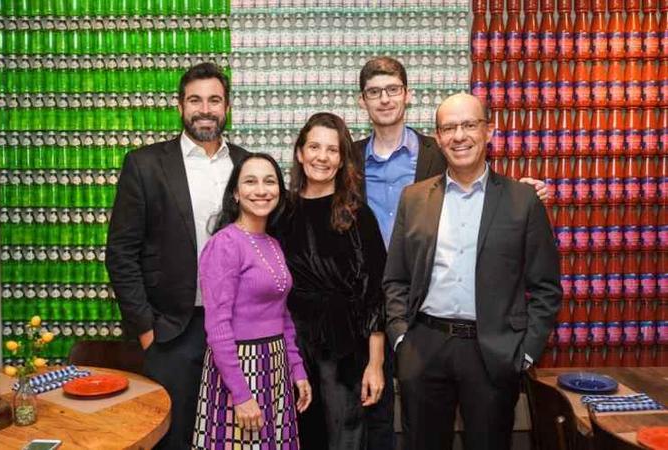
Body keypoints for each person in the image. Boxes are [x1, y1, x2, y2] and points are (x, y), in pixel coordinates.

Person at [352, 56, 549, 449]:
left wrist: (525, 353)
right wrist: (402, 340)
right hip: (424, 344)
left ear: (488, 131)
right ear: (438, 138)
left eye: (469, 125)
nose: (459, 136)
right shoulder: (416, 196)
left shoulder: (520, 200)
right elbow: (397, 278)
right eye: (449, 128)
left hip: (492, 349)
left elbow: (545, 288)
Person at [105, 62, 248, 449]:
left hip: (238, 331)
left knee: (233, 437)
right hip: (172, 333)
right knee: (173, 440)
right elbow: (121, 253)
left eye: (214, 100)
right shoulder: (146, 164)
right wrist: (148, 330)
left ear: (228, 107)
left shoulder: (246, 165)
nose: (205, 109)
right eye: (195, 100)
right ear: (179, 106)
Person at [278, 112, 387, 450]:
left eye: (332, 150)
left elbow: (375, 294)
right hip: (291, 346)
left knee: (344, 437)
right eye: (314, 147)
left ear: (342, 161)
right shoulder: (281, 211)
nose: (322, 157)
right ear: (299, 152)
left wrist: (376, 364)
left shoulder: (357, 214)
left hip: (344, 350)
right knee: (299, 436)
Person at [192, 153, 312, 449]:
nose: (261, 190)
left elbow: (282, 316)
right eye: (250, 181)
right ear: (235, 192)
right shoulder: (225, 244)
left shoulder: (272, 243)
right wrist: (241, 395)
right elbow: (218, 328)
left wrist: (297, 371)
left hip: (275, 365)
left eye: (269, 181)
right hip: (239, 371)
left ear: (279, 192)